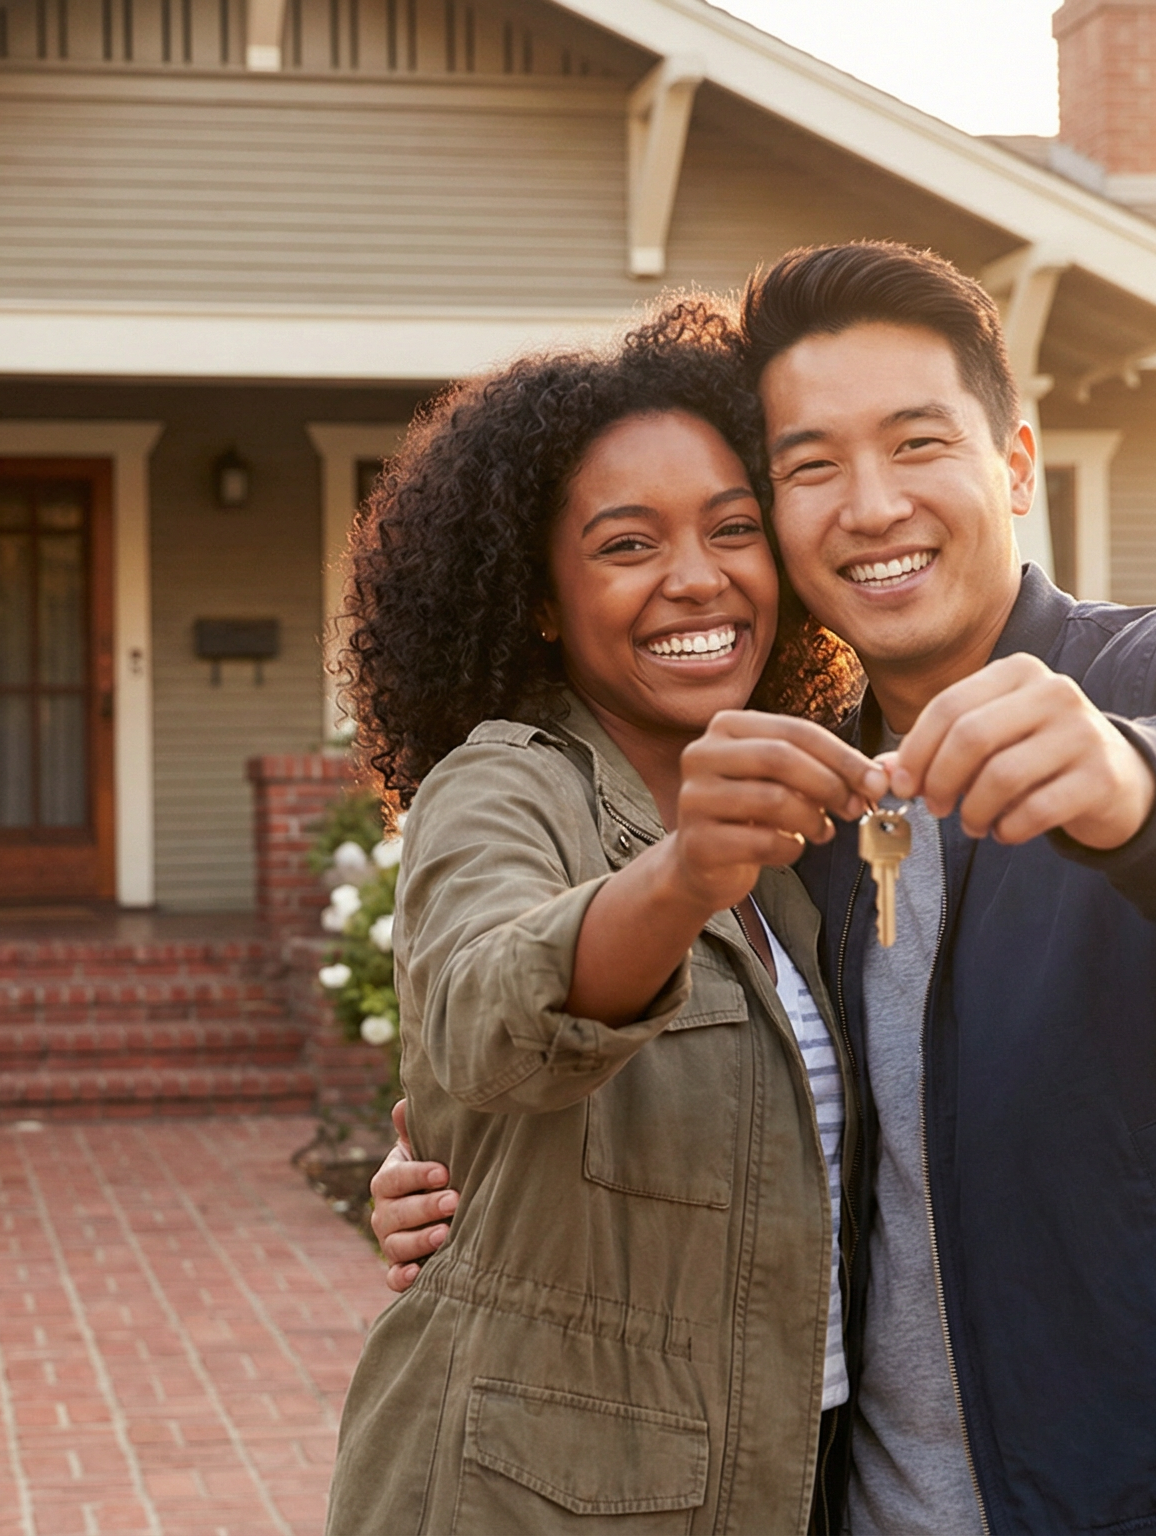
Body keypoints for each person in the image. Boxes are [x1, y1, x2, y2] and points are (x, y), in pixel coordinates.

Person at [369, 241, 1156, 1535]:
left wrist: (1133, 777)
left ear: (1014, 463)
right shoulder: (798, 809)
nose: (868, 505)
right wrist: (461, 1184)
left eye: (917, 444)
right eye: (809, 467)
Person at [325, 297, 880, 1534]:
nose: (697, 578)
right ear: (538, 593)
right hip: (537, 1489)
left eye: (734, 529)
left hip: (798, 1469)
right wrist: (683, 875)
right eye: (627, 545)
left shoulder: (810, 816)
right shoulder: (503, 781)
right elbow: (482, 1014)